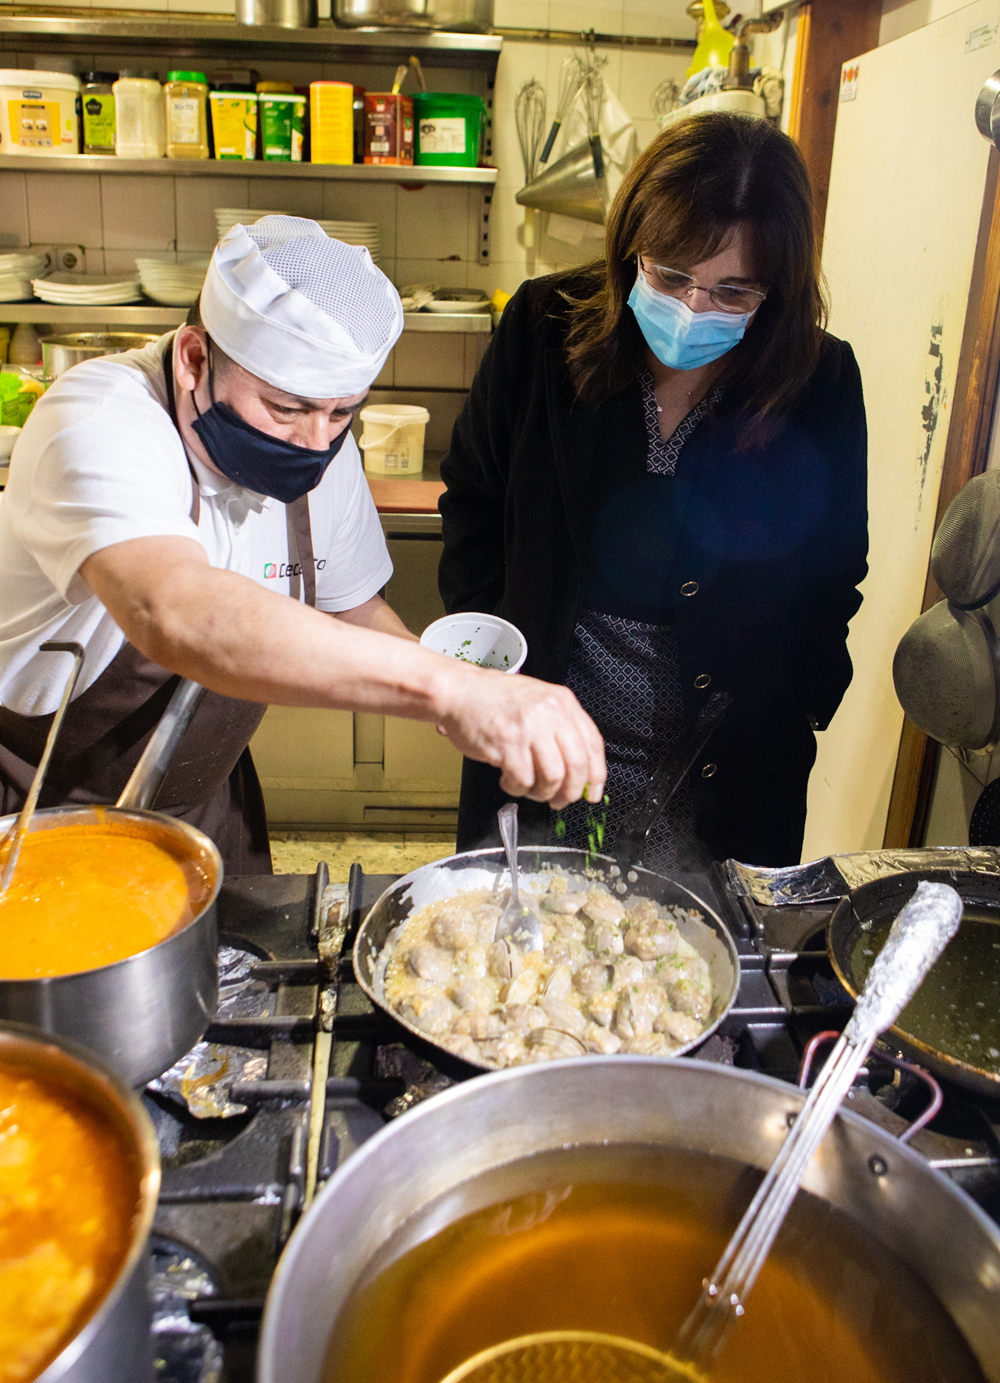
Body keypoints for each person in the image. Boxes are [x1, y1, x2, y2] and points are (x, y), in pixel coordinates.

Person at [0, 216, 604, 872]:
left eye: (341, 412)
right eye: (284, 408)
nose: (317, 442)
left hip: (206, 806)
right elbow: (173, 608)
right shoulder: (97, 420)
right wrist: (449, 691)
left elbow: (353, 608)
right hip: (40, 813)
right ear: (195, 359)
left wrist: (471, 690)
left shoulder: (318, 444)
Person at [439, 114, 868, 869]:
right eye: (670, 276)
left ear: (777, 290)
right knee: (528, 949)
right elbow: (472, 497)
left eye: (733, 292)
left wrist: (805, 698)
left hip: (725, 757)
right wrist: (489, 668)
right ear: (631, 245)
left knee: (692, 963)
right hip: (549, 733)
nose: (693, 309)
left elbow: (835, 567)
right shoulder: (542, 326)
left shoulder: (819, 380)